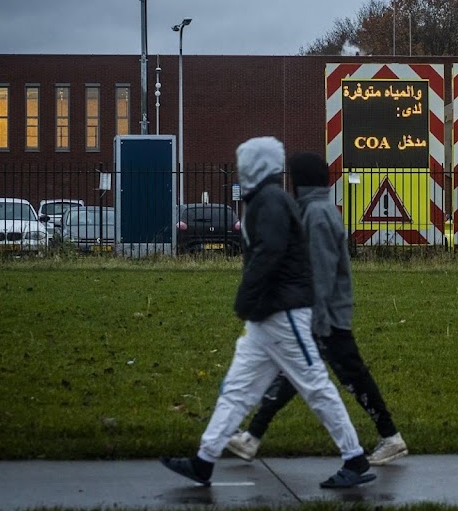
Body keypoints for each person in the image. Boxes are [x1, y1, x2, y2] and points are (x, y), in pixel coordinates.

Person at [160, 137, 374, 489]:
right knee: (238, 389)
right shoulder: (268, 200)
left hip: (284, 313)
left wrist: (245, 299)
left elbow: (268, 254)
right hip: (268, 315)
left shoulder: (270, 201)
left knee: (314, 385)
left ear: (255, 166)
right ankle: (204, 460)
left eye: (244, 163)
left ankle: (354, 457)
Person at [226, 152, 408, 466]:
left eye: (292, 179)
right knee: (294, 376)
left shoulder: (319, 214)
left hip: (326, 317)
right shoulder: (312, 210)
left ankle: (390, 436)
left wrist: (314, 318)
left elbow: (321, 272)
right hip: (320, 314)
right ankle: (251, 438)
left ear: (302, 181)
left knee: (346, 375)